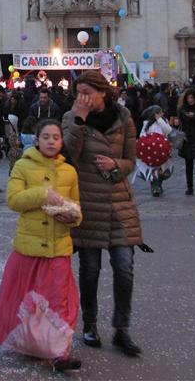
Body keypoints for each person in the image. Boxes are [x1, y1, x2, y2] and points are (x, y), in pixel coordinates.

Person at [61, 70, 144, 358]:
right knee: (90, 270)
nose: (82, 98)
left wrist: (115, 165)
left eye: (87, 93)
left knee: (124, 267)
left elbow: (131, 160)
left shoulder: (124, 118)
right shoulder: (71, 117)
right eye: (78, 93)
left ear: (103, 92)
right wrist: (79, 121)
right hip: (88, 203)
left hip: (119, 204)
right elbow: (67, 157)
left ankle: (122, 329)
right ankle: (90, 324)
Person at [0, 120, 83, 373]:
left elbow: (77, 206)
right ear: (37, 140)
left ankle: (59, 352)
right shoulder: (22, 166)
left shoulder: (69, 171)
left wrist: (73, 216)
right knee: (28, 300)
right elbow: (13, 200)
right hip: (29, 247)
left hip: (59, 246)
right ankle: (30, 342)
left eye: (56, 137)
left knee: (58, 300)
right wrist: (42, 194)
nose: (51, 141)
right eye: (46, 137)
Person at [135, 105, 177, 197]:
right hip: (151, 149)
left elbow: (168, 130)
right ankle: (155, 187)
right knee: (153, 169)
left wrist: (159, 120)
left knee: (162, 169)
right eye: (160, 112)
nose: (163, 113)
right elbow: (142, 135)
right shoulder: (147, 123)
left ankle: (158, 184)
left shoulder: (164, 121)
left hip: (162, 149)